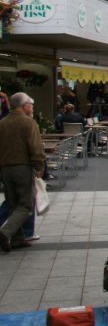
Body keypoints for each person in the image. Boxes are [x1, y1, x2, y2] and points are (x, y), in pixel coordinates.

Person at [0, 93, 45, 252]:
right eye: (31, 104)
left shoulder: (2, 123)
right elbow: (35, 147)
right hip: (22, 167)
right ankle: (5, 232)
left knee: (13, 204)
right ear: (24, 106)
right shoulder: (28, 123)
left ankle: (18, 239)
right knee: (25, 205)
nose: (32, 108)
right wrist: (39, 166)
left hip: (5, 169)